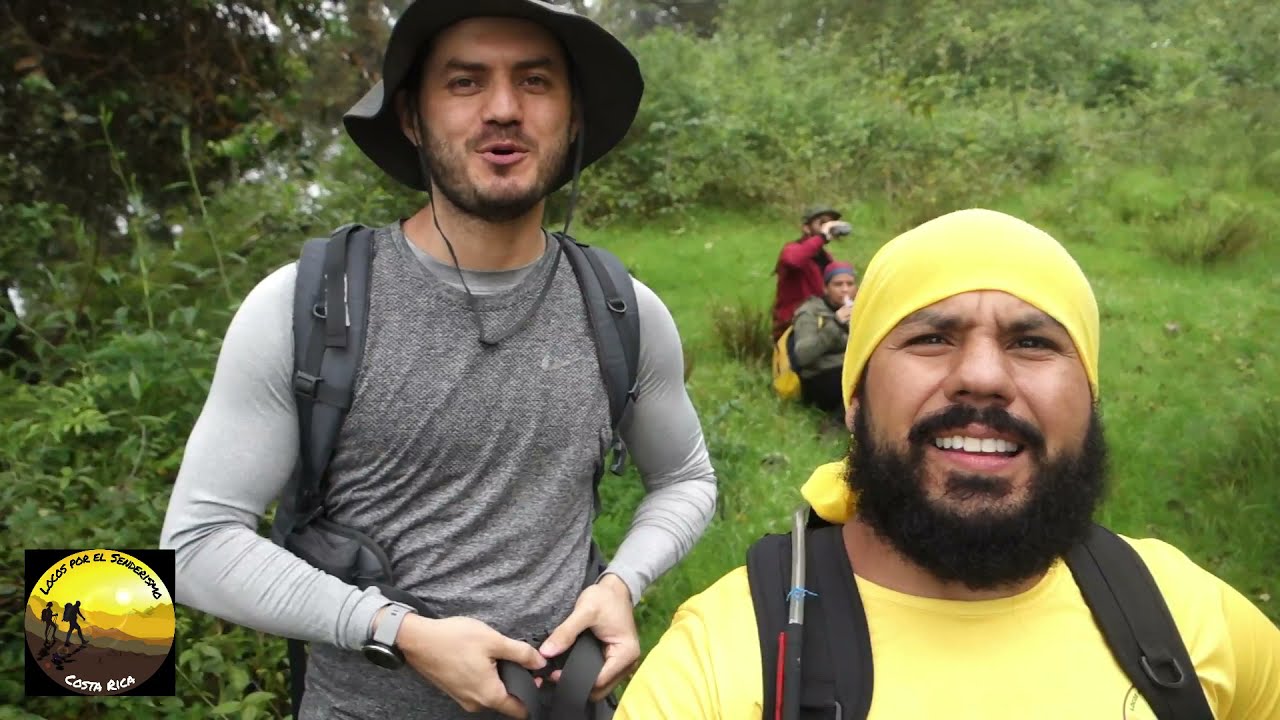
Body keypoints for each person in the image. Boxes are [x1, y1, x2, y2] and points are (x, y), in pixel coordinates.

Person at [159, 2, 718, 718]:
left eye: (537, 81)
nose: (505, 109)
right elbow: (198, 543)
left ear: (573, 116)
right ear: (412, 118)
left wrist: (621, 584)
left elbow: (686, 477)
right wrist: (399, 634)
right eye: (465, 82)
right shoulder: (308, 306)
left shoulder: (623, 309)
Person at [615, 208, 1280, 719]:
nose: (983, 377)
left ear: (1090, 398)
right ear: (854, 401)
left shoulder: (1186, 612)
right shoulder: (724, 655)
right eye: (931, 338)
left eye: (1033, 341)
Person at [770, 205, 851, 342]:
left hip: (820, 321)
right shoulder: (791, 250)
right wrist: (822, 237)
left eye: (830, 223)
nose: (827, 227)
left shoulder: (826, 258)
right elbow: (793, 260)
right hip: (793, 325)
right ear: (806, 228)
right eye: (822, 223)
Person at [789, 261, 856, 418]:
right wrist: (836, 323)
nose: (845, 289)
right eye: (838, 284)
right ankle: (835, 424)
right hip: (818, 378)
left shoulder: (861, 310)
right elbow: (804, 356)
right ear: (825, 288)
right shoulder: (810, 312)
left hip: (848, 371)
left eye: (850, 284)